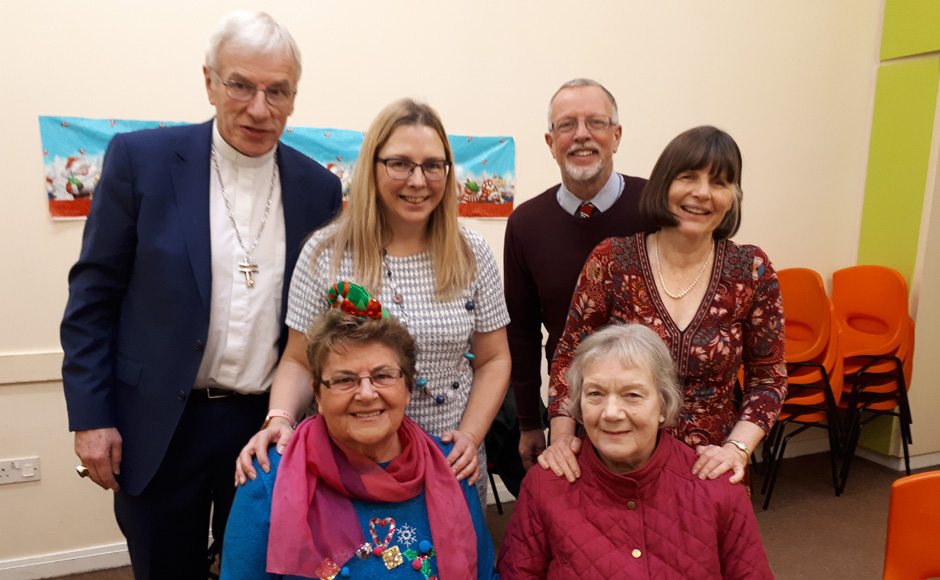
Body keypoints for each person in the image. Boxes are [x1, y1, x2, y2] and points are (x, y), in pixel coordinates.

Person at [60, 11, 342, 579]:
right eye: (241, 85)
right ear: (209, 82)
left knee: (264, 568)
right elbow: (93, 299)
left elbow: (319, 317)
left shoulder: (319, 188)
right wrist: (91, 417)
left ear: (293, 99)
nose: (259, 108)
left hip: (268, 423)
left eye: (277, 91)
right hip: (160, 421)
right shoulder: (141, 162)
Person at [236, 98, 511, 505]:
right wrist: (280, 418)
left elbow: (493, 359)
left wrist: (470, 436)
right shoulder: (325, 254)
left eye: (433, 165)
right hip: (346, 462)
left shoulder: (472, 253)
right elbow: (298, 359)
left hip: (446, 459)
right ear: (372, 166)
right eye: (400, 163)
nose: (418, 180)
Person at [541, 125, 786, 486]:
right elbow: (568, 358)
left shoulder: (751, 270)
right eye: (688, 177)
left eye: (718, 183)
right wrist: (562, 440)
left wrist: (737, 448)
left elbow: (768, 378)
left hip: (710, 468)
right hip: (616, 462)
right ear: (664, 184)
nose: (702, 193)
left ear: (732, 196)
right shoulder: (612, 260)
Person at [221, 290, 498, 580]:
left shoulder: (451, 466)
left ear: (406, 390)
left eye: (383, 376)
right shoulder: (270, 476)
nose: (366, 394)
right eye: (344, 380)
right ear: (318, 394)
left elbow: (484, 575)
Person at [497, 324, 774, 579]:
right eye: (595, 394)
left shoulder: (718, 487)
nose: (611, 413)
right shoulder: (545, 485)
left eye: (632, 395)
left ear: (664, 405)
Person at [504, 78, 651, 470]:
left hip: (652, 407)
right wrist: (529, 422)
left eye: (595, 123)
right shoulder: (525, 224)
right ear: (551, 143)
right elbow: (521, 332)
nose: (581, 135)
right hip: (571, 410)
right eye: (567, 124)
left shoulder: (656, 209)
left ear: (616, 136)